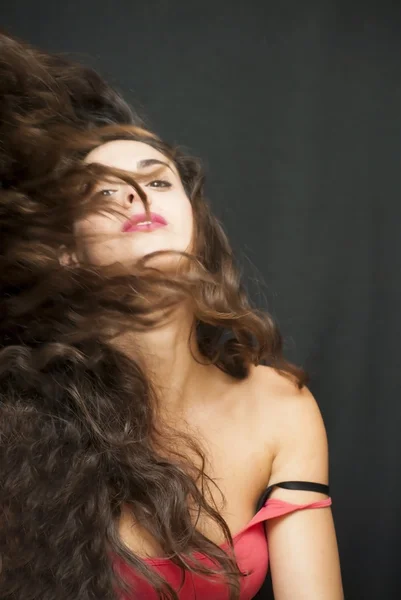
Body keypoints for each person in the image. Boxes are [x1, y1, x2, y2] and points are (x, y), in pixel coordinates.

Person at [0, 34, 344, 600]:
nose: (138, 195)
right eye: (104, 192)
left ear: (196, 228)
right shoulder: (22, 417)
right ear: (67, 251)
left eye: (158, 179)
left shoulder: (282, 407)